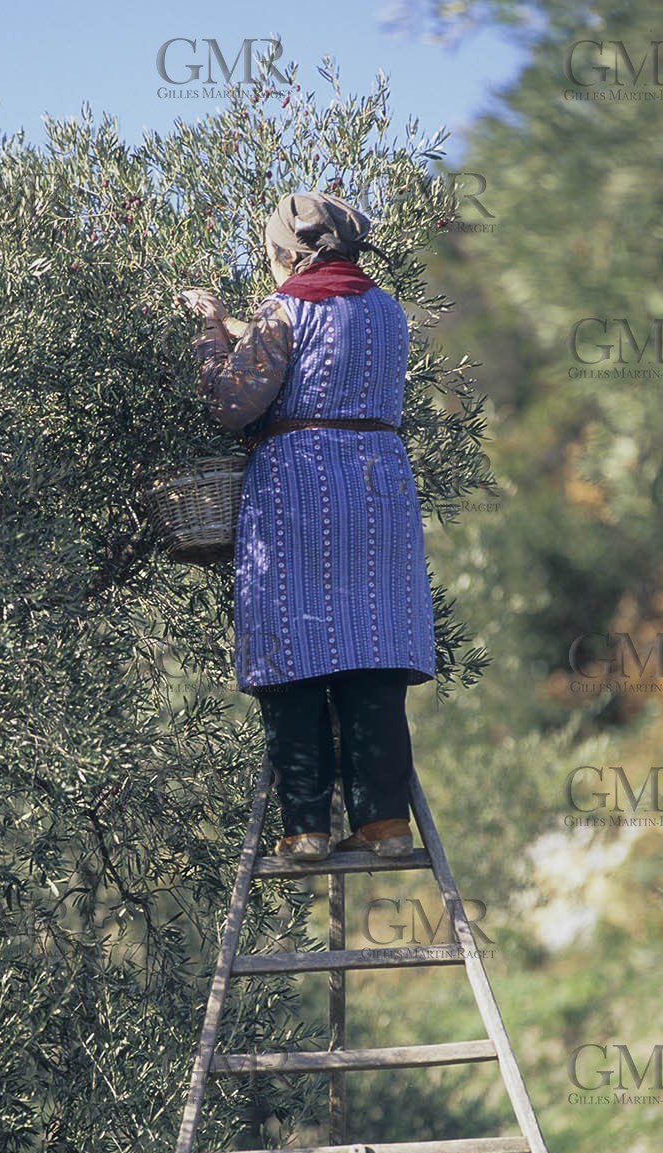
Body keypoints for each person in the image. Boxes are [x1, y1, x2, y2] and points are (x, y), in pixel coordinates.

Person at [181, 191, 435, 860]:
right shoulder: (385, 310)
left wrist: (210, 328)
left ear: (287, 254)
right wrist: (249, 330)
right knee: (371, 652)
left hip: (299, 485)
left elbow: (234, 403)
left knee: (291, 656)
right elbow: (326, 352)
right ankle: (383, 824)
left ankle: (305, 831)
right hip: (378, 487)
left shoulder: (284, 307)